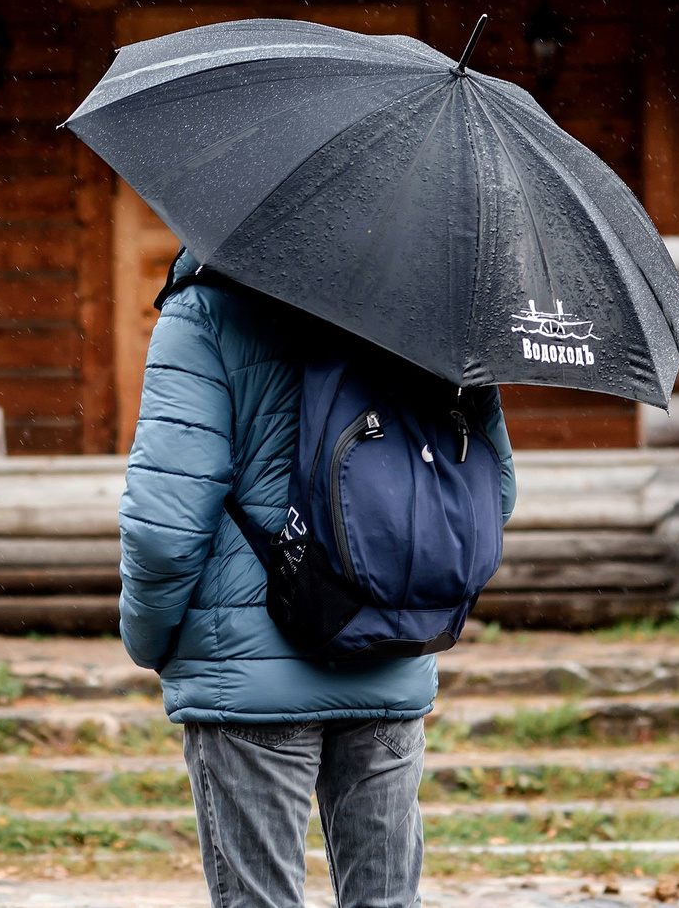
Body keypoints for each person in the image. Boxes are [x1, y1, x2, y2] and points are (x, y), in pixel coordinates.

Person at [118, 255, 517, 908]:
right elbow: (490, 496)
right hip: (392, 648)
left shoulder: (205, 310)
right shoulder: (437, 313)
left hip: (248, 675)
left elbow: (164, 525)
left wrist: (150, 637)